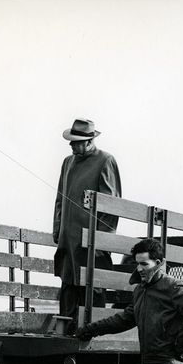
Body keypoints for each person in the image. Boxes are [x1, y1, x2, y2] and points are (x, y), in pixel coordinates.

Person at [53, 118, 121, 332]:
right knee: (68, 286)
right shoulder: (68, 162)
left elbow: (111, 206)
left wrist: (101, 240)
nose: (71, 145)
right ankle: (66, 333)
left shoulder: (105, 160)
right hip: (68, 240)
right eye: (71, 141)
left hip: (91, 244)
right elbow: (59, 199)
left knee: (92, 287)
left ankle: (93, 333)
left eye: (76, 142)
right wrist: (58, 230)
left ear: (89, 141)